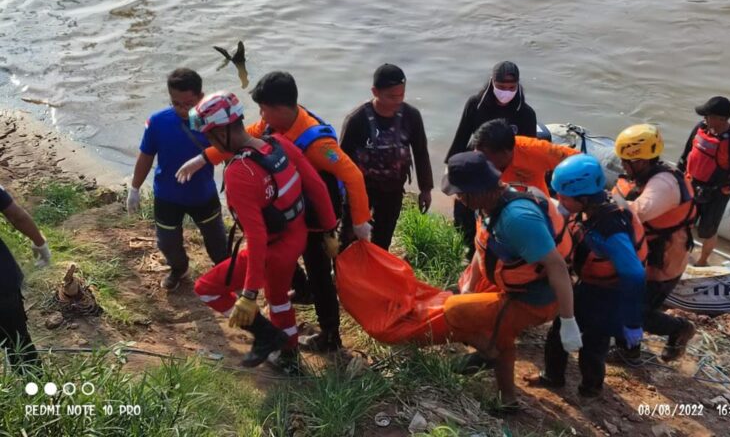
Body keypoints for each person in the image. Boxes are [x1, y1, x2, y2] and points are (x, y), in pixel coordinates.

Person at [177, 71, 371, 353]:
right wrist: (203, 158)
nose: (262, 116)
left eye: (264, 109)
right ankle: (298, 307)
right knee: (284, 283)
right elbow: (245, 138)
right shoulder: (279, 137)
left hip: (308, 224)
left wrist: (355, 223)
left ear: (280, 108)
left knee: (320, 279)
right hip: (293, 223)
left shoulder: (316, 144)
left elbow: (351, 176)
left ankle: (327, 334)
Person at [188, 92, 337, 372]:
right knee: (279, 297)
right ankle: (288, 352)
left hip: (272, 250)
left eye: (209, 136)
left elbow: (255, 237)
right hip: (297, 236)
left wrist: (249, 294)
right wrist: (330, 229)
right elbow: (316, 184)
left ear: (220, 132)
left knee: (206, 288)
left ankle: (270, 338)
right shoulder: (276, 142)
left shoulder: (238, 172)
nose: (209, 142)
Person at [441, 152, 581, 413]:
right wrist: (469, 287)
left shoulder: (518, 219)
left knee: (455, 312)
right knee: (459, 294)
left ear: (478, 190)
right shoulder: (488, 204)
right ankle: (488, 349)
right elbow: (481, 246)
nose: (458, 198)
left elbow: (556, 266)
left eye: (460, 193)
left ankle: (506, 396)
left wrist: (569, 322)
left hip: (535, 296)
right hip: (512, 278)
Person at [530, 154, 646, 399]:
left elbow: (634, 274)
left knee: (594, 345)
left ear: (582, 198)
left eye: (563, 197)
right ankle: (553, 377)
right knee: (559, 331)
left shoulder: (611, 229)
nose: (559, 201)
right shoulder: (592, 205)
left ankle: (591, 389)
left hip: (608, 293)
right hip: (589, 285)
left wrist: (632, 321)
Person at [127, 68, 228, 290]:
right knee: (167, 242)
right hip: (167, 195)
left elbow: (229, 151)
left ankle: (227, 273)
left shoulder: (213, 123)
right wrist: (134, 188)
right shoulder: (157, 122)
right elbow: (146, 156)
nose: (182, 109)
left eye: (188, 104)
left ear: (201, 97)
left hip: (203, 194)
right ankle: (179, 269)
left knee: (218, 242)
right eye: (176, 104)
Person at [612, 124, 697, 362]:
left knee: (638, 311)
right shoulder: (639, 178)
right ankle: (629, 351)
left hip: (664, 260)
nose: (622, 166)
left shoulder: (664, 185)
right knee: (624, 302)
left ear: (640, 161)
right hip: (640, 255)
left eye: (626, 161)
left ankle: (679, 328)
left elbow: (636, 212)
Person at [445, 61, 538, 257]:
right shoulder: (475, 105)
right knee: (464, 208)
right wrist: (451, 167)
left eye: (511, 88)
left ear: (518, 86)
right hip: (475, 163)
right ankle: (468, 250)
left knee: (498, 214)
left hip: (506, 168)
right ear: (491, 83)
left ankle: (497, 252)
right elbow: (461, 137)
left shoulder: (526, 114)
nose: (506, 92)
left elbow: (529, 151)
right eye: (501, 87)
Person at [339, 63, 433, 250]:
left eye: (401, 95)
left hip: (393, 188)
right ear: (375, 92)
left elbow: (421, 152)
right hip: (361, 189)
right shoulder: (357, 120)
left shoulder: (411, 116)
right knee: (348, 236)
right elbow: (341, 160)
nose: (397, 101)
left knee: (384, 236)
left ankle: (376, 274)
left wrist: (426, 188)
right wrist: (338, 196)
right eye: (391, 96)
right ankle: (343, 273)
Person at [677, 96, 730, 266]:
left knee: (708, 231)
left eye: (708, 116)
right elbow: (683, 158)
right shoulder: (700, 128)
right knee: (684, 225)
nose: (704, 119)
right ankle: (681, 256)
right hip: (692, 186)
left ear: (721, 119)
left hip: (716, 194)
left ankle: (702, 261)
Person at [0, 183, 50, 369]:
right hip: (2, 283)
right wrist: (40, 243)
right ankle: (34, 391)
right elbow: (16, 216)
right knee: (19, 346)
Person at [472, 118, 579, 196]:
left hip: (535, 208)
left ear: (505, 153)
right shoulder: (475, 158)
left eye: (485, 156)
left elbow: (579, 160)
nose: (480, 160)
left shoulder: (535, 150)